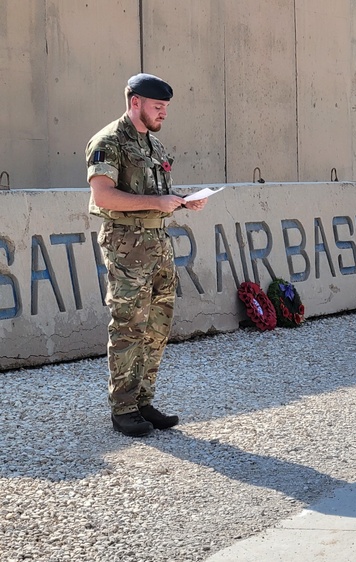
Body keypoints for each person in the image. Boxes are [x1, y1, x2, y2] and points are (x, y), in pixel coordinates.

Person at [86, 73, 207, 437]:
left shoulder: (154, 147)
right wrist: (158, 202)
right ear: (134, 102)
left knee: (157, 327)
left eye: (166, 107)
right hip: (127, 248)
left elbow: (156, 196)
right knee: (128, 326)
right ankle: (122, 409)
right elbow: (103, 197)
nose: (163, 113)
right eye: (158, 106)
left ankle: (142, 400)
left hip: (158, 245)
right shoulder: (109, 141)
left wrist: (183, 202)